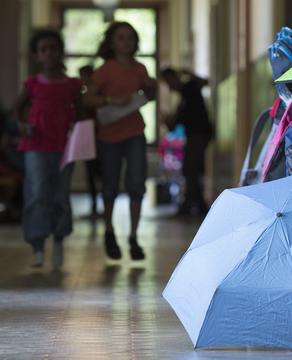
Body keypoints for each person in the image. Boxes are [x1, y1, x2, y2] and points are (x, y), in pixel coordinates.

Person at [84, 22, 157, 260]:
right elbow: (88, 100)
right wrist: (110, 100)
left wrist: (152, 89)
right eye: (120, 38)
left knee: (136, 184)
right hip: (109, 136)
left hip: (135, 132)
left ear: (136, 42)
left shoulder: (140, 69)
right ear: (111, 42)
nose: (125, 42)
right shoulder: (105, 70)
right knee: (110, 185)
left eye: (130, 38)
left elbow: (149, 95)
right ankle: (109, 231)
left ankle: (134, 237)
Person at [13, 29, 83, 268]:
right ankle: (38, 245)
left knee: (61, 194)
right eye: (44, 50)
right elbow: (17, 108)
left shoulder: (72, 85)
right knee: (37, 193)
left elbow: (82, 113)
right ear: (36, 55)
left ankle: (59, 238)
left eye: (54, 49)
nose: (50, 54)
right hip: (36, 144)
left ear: (61, 52)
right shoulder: (32, 84)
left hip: (65, 146)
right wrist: (22, 125)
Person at [160, 68, 213, 216]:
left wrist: (190, 74)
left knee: (191, 169)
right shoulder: (183, 98)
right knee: (191, 170)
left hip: (199, 134)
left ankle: (192, 205)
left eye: (169, 81)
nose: (169, 86)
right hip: (194, 135)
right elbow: (175, 124)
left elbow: (206, 82)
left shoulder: (190, 87)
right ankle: (196, 205)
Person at [78, 65, 102, 221]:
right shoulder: (82, 96)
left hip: (100, 138)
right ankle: (94, 206)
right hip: (88, 139)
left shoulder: (99, 96)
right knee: (91, 175)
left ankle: (103, 208)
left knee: (101, 175)